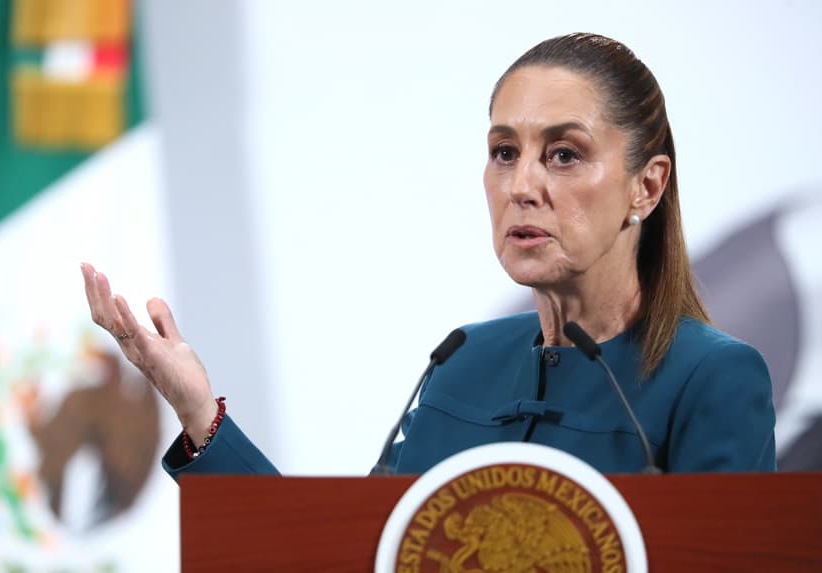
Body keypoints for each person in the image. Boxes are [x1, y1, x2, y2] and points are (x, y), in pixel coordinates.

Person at [81, 33, 775, 477]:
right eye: (505, 152)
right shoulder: (462, 361)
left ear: (646, 187)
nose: (523, 185)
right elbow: (349, 554)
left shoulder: (713, 378)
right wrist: (202, 414)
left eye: (563, 154)